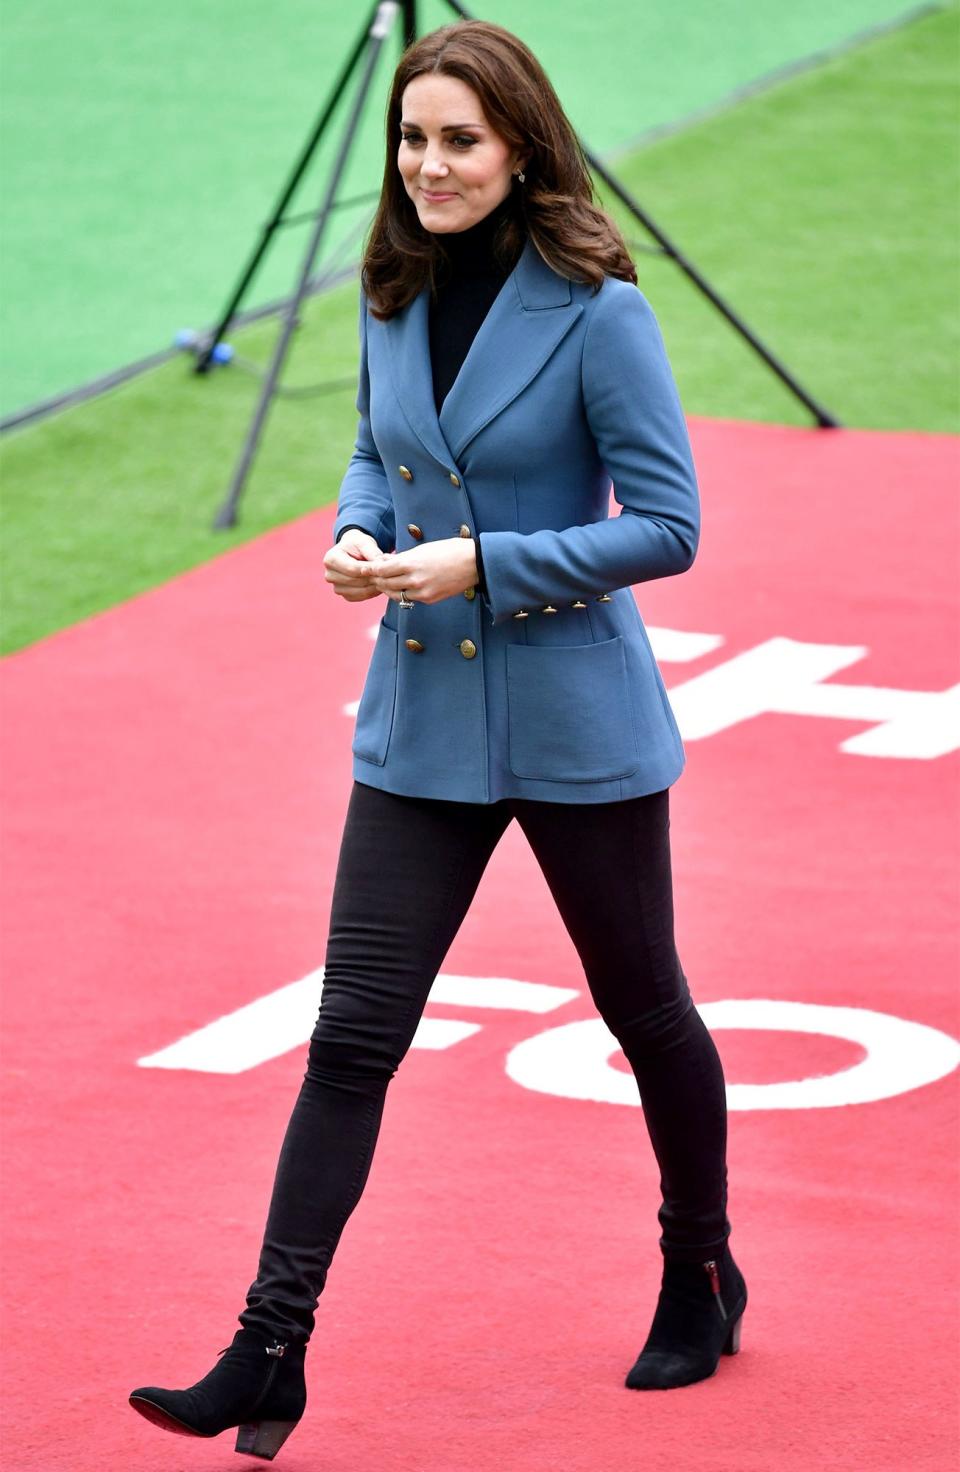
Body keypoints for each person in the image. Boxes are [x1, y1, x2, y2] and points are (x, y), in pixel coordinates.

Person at [128, 18, 747, 1459]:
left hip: (574, 715)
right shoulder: (392, 285)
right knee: (351, 1036)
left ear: (521, 145)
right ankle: (266, 1349)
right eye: (413, 140)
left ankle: (697, 1266)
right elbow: (375, 442)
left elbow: (669, 525)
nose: (429, 164)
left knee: (644, 1009)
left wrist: (483, 561)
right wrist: (357, 526)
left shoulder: (601, 308)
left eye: (459, 139)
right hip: (418, 721)